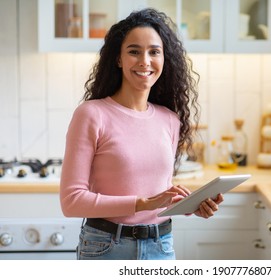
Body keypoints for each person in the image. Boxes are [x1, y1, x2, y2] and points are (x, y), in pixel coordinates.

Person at [60, 8, 223, 260]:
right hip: (106, 248)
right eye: (134, 51)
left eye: (154, 52)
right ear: (118, 59)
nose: (145, 61)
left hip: (161, 246)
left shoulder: (169, 119)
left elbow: (158, 192)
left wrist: (190, 206)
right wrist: (140, 204)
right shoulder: (92, 114)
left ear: (164, 59)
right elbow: (71, 202)